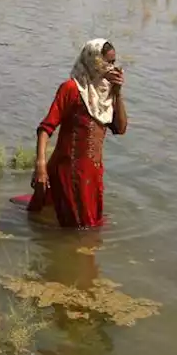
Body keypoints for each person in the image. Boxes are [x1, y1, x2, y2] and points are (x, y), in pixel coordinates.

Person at [28, 39, 129, 229]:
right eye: (108, 62)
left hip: (93, 173)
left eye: (114, 62)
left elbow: (120, 129)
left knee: (88, 227)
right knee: (77, 234)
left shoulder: (105, 93)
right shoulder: (71, 89)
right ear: (93, 61)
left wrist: (118, 94)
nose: (113, 68)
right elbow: (45, 128)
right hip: (69, 172)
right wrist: (40, 165)